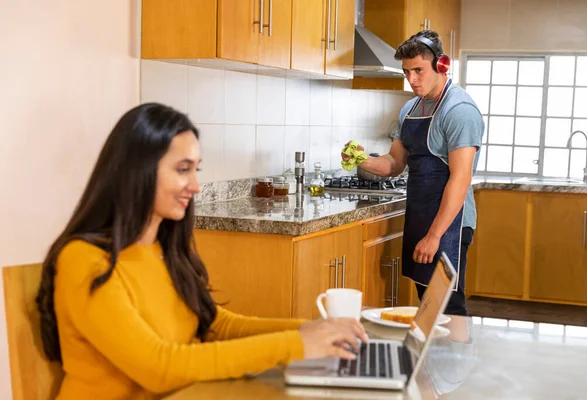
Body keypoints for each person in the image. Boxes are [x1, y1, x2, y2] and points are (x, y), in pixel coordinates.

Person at [36, 103, 368, 399]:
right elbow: (158, 366)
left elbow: (214, 325)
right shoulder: (84, 259)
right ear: (137, 171)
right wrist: (295, 345)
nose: (195, 186)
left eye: (196, 170)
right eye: (183, 170)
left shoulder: (161, 249)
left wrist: (307, 330)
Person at [341, 30, 484, 316]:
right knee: (428, 303)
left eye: (418, 70)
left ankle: (456, 359)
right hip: (420, 215)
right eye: (407, 72)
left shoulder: (459, 110)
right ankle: (433, 361)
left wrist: (434, 236)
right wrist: (360, 158)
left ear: (441, 65)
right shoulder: (410, 109)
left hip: (449, 225)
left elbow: (460, 179)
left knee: (448, 305)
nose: (412, 79)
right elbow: (394, 163)